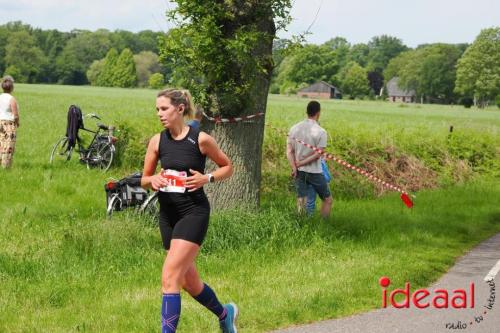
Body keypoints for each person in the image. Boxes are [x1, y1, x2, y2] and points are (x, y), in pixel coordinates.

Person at [141, 88, 238, 333]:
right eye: (157, 109)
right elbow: (144, 178)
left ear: (180, 109)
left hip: (193, 213)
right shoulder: (157, 141)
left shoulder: (200, 139)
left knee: (170, 278)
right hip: (168, 216)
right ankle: (225, 314)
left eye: (164, 109)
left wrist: (207, 178)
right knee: (188, 281)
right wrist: (152, 180)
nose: (159, 114)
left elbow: (228, 167)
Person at [287, 100, 333, 218]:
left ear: (306, 112)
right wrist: (301, 163)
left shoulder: (294, 128)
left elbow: (289, 151)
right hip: (315, 172)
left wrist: (294, 167)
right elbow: (318, 154)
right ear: (318, 113)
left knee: (301, 199)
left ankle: (300, 223)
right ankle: (323, 224)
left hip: (299, 171)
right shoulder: (321, 132)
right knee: (327, 200)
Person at [0, 76, 19, 169]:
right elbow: (15, 115)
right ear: (11, 87)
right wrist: (17, 123)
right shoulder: (12, 99)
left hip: (0, 123)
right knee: (8, 146)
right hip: (9, 124)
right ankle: (6, 166)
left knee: (1, 144)